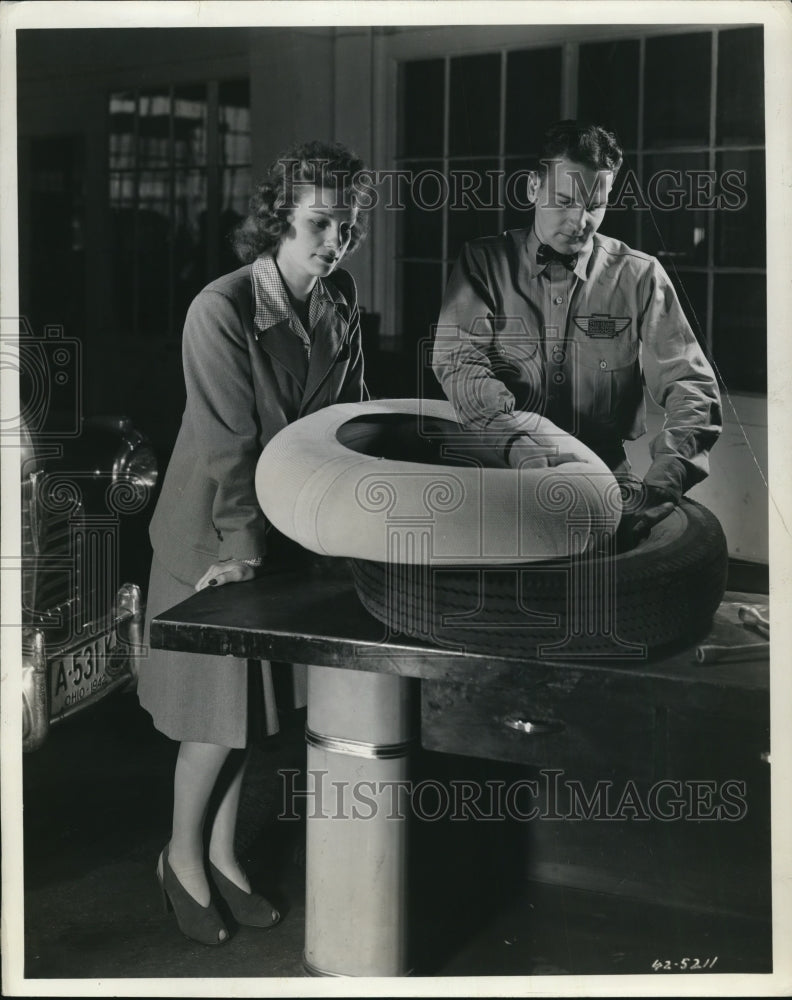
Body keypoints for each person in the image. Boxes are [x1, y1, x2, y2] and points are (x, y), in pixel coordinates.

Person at [137, 140, 369, 945]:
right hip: (214, 542)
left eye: (344, 223)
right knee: (211, 724)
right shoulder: (220, 309)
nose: (331, 240)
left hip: (280, 540)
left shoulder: (337, 306)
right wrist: (243, 551)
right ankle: (179, 858)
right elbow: (228, 443)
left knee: (251, 721)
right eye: (315, 222)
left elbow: (346, 427)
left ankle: (224, 859)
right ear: (279, 219)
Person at [432, 120, 722, 542]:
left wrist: (667, 476)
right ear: (533, 188)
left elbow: (691, 384)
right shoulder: (483, 263)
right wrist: (512, 440)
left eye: (594, 205)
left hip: (604, 474)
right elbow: (458, 359)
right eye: (563, 201)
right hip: (500, 461)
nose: (578, 221)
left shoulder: (640, 276)